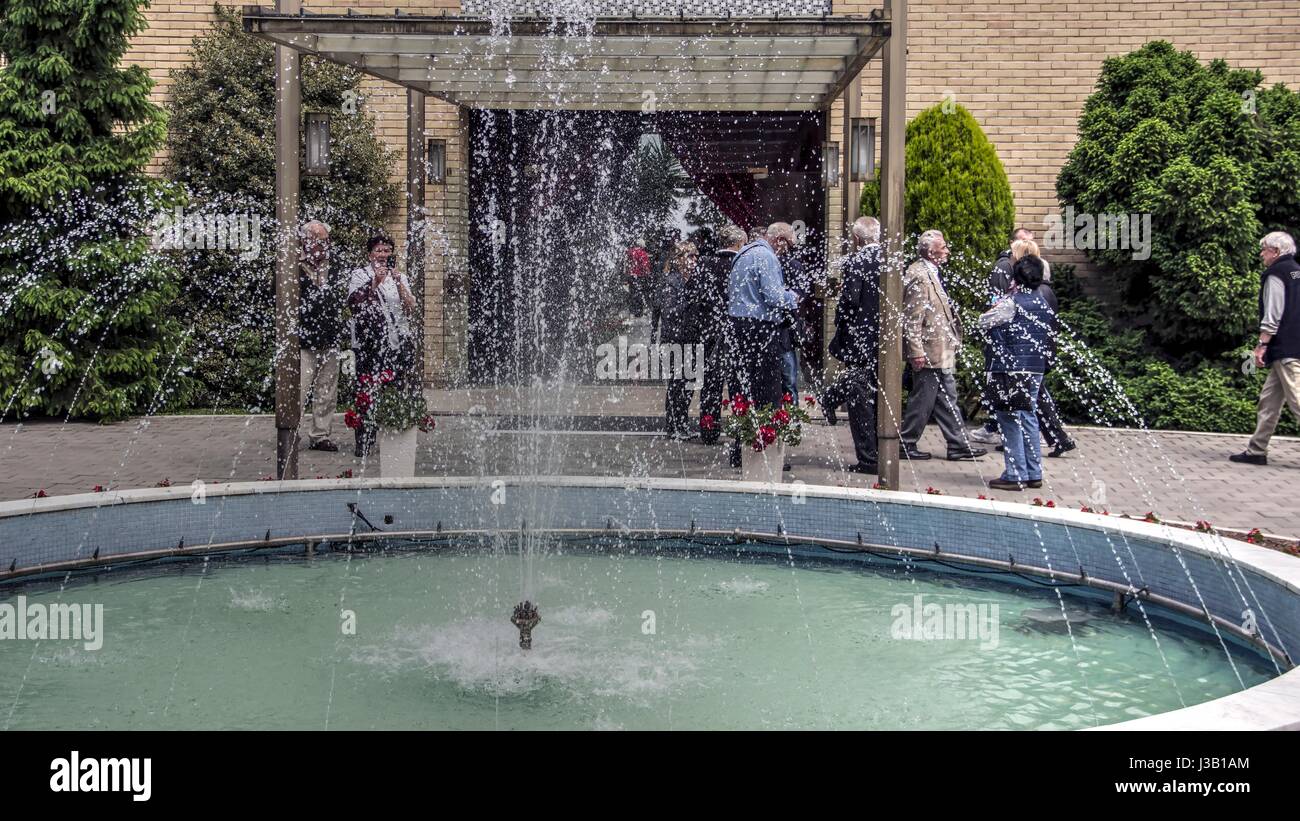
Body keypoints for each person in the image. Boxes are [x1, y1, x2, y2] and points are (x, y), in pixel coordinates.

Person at [899, 230, 987, 461]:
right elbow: (912, 318)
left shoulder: (932, 272)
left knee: (948, 397)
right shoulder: (918, 275)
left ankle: (958, 444)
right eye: (944, 247)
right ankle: (905, 442)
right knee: (923, 398)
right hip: (930, 350)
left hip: (943, 348)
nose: (947, 251)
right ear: (930, 252)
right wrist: (915, 351)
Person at [726, 225, 799, 466]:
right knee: (768, 392)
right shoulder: (766, 257)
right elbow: (775, 297)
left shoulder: (743, 254)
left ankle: (740, 451)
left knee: (742, 392)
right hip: (761, 331)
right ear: (778, 240)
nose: (786, 252)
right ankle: (765, 453)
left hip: (738, 329)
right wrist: (793, 297)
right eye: (788, 245)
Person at [980, 255, 1055, 490]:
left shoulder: (1012, 303)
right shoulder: (1043, 301)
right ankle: (1034, 473)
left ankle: (1015, 474)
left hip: (1011, 370)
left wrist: (997, 302)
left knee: (1009, 417)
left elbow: (983, 322)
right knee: (1028, 415)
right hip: (1035, 368)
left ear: (1016, 278)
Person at [1231, 231, 1300, 466]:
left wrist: (1261, 345)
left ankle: (1256, 451)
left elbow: (1273, 314)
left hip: (1286, 349)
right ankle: (1256, 451)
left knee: (1298, 401)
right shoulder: (1297, 271)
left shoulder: (1276, 273)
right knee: (1269, 400)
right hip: (1292, 347)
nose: (1262, 255)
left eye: (1265, 250)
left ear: (1276, 252)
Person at [347, 232, 418, 457]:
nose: (383, 254)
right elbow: (355, 304)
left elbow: (410, 307)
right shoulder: (359, 275)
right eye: (379, 250)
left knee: (395, 389)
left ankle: (394, 438)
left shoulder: (400, 277)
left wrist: (397, 282)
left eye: (387, 250)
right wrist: (375, 280)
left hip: (395, 342)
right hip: (369, 343)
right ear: (370, 254)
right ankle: (365, 439)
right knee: (367, 390)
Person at [823, 216, 883, 473]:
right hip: (883, 343)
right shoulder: (891, 261)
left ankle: (869, 458)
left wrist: (842, 326)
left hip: (860, 340)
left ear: (857, 239)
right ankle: (874, 452)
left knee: (860, 397)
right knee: (874, 393)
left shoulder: (856, 262)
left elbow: (849, 302)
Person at [298, 220, 344, 452]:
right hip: (303, 340)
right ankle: (289, 431)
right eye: (318, 240)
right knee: (298, 388)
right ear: (306, 241)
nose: (323, 245)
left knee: (327, 390)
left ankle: (320, 435)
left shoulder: (334, 266)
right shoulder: (293, 266)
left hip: (330, 337)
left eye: (325, 241)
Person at [697, 225, 746, 445]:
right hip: (736, 331)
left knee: (711, 384)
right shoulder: (741, 264)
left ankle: (708, 429)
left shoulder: (705, 264)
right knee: (738, 384)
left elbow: (697, 297)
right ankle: (739, 431)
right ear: (738, 243)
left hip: (710, 331)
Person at [661, 241, 701, 440]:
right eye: (690, 256)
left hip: (691, 339)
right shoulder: (671, 281)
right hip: (674, 341)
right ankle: (674, 425)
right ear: (678, 260)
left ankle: (682, 422)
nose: (694, 260)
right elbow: (669, 312)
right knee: (676, 385)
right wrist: (690, 302)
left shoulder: (694, 280)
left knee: (688, 385)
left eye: (695, 256)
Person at [768, 221, 804, 398]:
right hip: (769, 329)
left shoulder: (793, 265)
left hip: (784, 332)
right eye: (790, 244)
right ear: (780, 240)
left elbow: (799, 295)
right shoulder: (764, 262)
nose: (791, 249)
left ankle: (792, 421)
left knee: (789, 380)